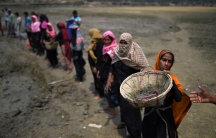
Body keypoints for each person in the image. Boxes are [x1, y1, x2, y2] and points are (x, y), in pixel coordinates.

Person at [105, 33, 149, 138]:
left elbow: (139, 72)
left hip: (130, 88)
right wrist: (109, 79)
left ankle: (135, 134)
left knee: (132, 111)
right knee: (123, 108)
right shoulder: (117, 52)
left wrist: (139, 89)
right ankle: (125, 125)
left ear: (130, 43)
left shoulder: (134, 55)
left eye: (126, 43)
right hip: (118, 85)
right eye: (121, 42)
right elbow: (112, 66)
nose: (123, 44)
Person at [142, 50, 191, 138]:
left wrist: (170, 82)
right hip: (150, 115)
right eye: (164, 60)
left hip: (164, 117)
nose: (166, 64)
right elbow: (142, 96)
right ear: (158, 60)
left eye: (169, 61)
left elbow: (179, 98)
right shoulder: (150, 76)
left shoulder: (173, 79)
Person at [96, 30, 118, 118]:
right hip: (104, 73)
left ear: (112, 40)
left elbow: (115, 65)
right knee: (106, 91)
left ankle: (113, 112)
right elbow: (102, 61)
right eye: (105, 39)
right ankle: (109, 105)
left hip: (110, 74)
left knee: (110, 93)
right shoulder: (104, 48)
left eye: (108, 40)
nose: (106, 41)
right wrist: (99, 71)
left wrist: (112, 77)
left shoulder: (114, 50)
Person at [87, 28, 103, 98]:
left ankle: (101, 94)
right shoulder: (94, 41)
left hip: (97, 64)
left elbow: (99, 56)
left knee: (99, 78)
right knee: (95, 77)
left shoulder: (100, 43)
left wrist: (97, 66)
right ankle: (97, 89)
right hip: (93, 63)